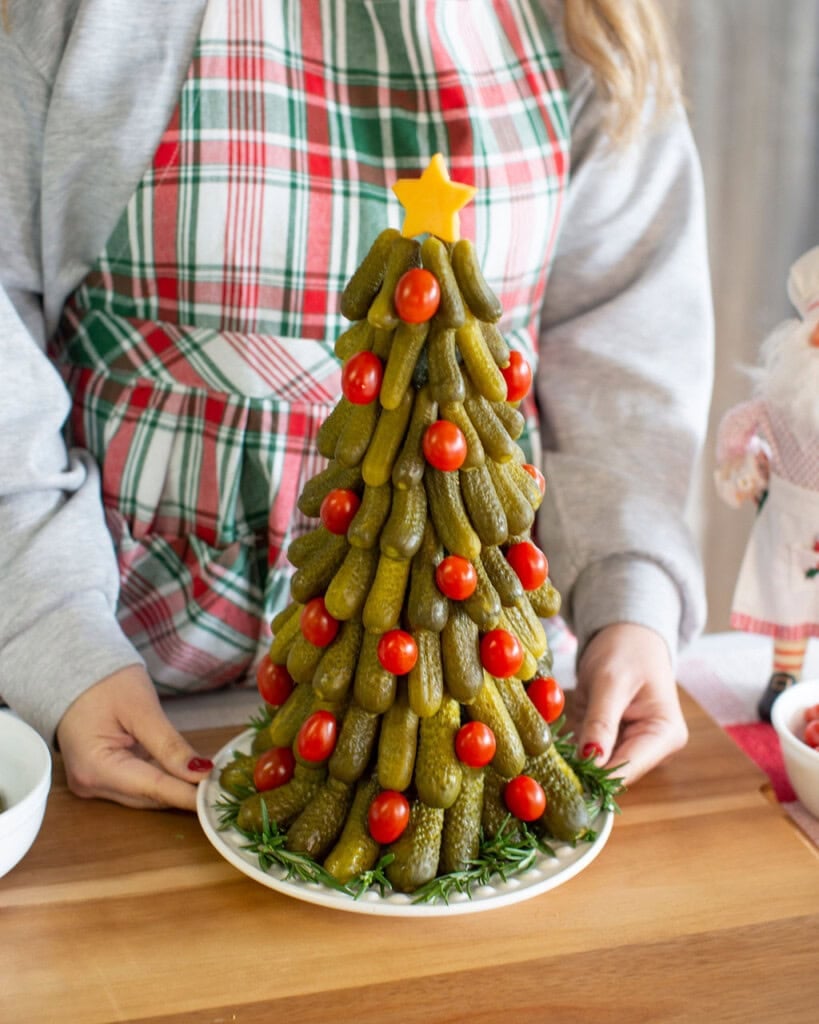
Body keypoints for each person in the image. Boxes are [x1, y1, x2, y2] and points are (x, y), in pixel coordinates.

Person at [0, 0, 713, 812]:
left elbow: (621, 360)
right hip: (115, 715)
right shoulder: (74, 19)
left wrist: (629, 603)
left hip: (454, 716)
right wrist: (53, 637)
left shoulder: (584, 28)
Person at [715, 247, 819, 722]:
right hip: (791, 519)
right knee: (788, 597)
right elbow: (739, 425)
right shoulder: (783, 402)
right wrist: (739, 464)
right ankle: (785, 676)